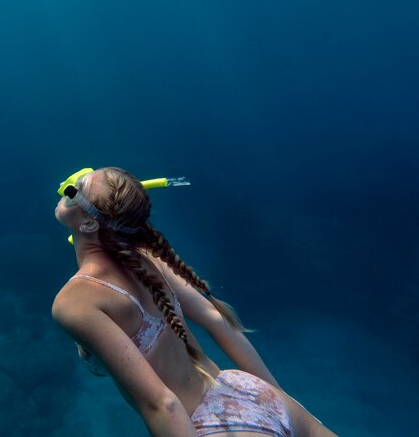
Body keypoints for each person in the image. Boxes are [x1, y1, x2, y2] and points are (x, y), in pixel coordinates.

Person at [52, 167, 337, 437]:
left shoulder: (76, 300)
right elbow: (217, 321)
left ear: (90, 223)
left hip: (207, 424)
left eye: (78, 188)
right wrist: (278, 400)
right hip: (247, 391)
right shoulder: (148, 261)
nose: (72, 184)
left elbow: (164, 404)